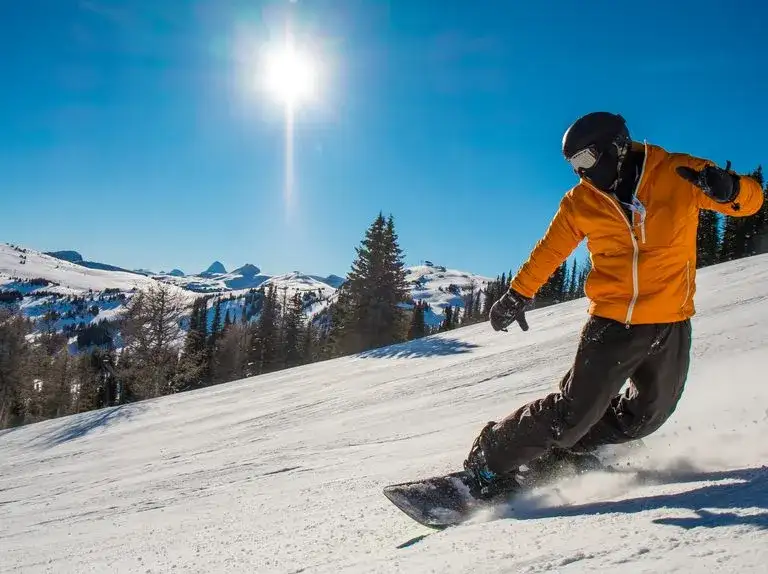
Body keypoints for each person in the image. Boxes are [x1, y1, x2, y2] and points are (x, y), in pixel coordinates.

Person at [463, 111, 764, 498]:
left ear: (615, 148)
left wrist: (731, 190)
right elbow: (550, 250)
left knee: (646, 417)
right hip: (613, 321)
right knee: (573, 414)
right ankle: (488, 460)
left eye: (585, 161)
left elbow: (751, 203)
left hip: (671, 320)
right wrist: (518, 292)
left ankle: (566, 454)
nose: (581, 173)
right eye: (573, 166)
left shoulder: (679, 173)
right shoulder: (581, 202)